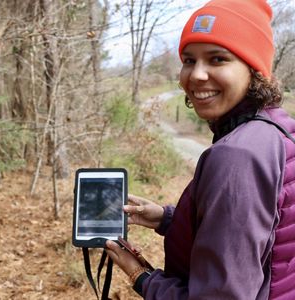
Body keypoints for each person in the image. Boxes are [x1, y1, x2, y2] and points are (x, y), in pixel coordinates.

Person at [105, 0, 295, 299]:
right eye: (189, 60)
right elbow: (264, 239)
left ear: (254, 69)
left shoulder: (236, 156)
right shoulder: (277, 128)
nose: (196, 75)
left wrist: (141, 276)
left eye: (217, 59)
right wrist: (168, 218)